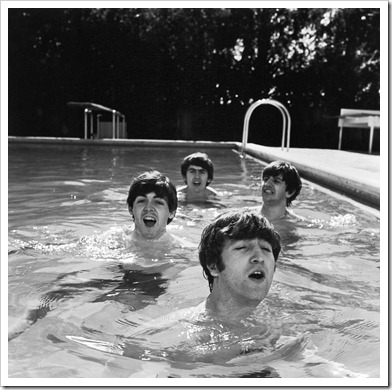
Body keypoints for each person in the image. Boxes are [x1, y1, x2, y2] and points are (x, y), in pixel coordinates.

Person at [199, 209, 281, 320]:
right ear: (213, 266)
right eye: (242, 247)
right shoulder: (179, 330)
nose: (259, 258)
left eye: (266, 249)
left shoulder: (292, 328)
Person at [126, 170, 178, 242]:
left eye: (158, 202)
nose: (148, 208)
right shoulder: (112, 243)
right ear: (131, 209)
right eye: (142, 201)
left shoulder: (185, 250)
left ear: (171, 212)